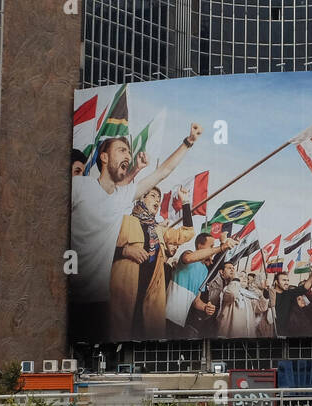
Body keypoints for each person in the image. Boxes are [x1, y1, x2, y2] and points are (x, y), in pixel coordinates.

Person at [70, 119, 203, 334]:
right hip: (75, 297)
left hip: (103, 304)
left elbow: (163, 172)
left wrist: (188, 142)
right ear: (103, 157)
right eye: (122, 150)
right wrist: (125, 251)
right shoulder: (79, 187)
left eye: (129, 153)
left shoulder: (122, 200)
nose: (128, 155)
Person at [111, 187, 195, 340]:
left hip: (149, 299)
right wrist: (124, 251)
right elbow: (98, 247)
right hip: (122, 295)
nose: (157, 200)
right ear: (141, 198)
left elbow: (188, 233)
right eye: (153, 196)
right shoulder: (123, 221)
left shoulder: (159, 230)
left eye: (159, 198)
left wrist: (185, 201)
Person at [166, 231, 234, 336]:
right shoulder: (187, 255)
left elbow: (196, 301)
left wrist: (205, 307)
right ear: (199, 246)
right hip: (165, 315)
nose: (212, 249)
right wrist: (221, 247)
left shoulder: (204, 271)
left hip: (180, 322)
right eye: (210, 246)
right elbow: (189, 258)